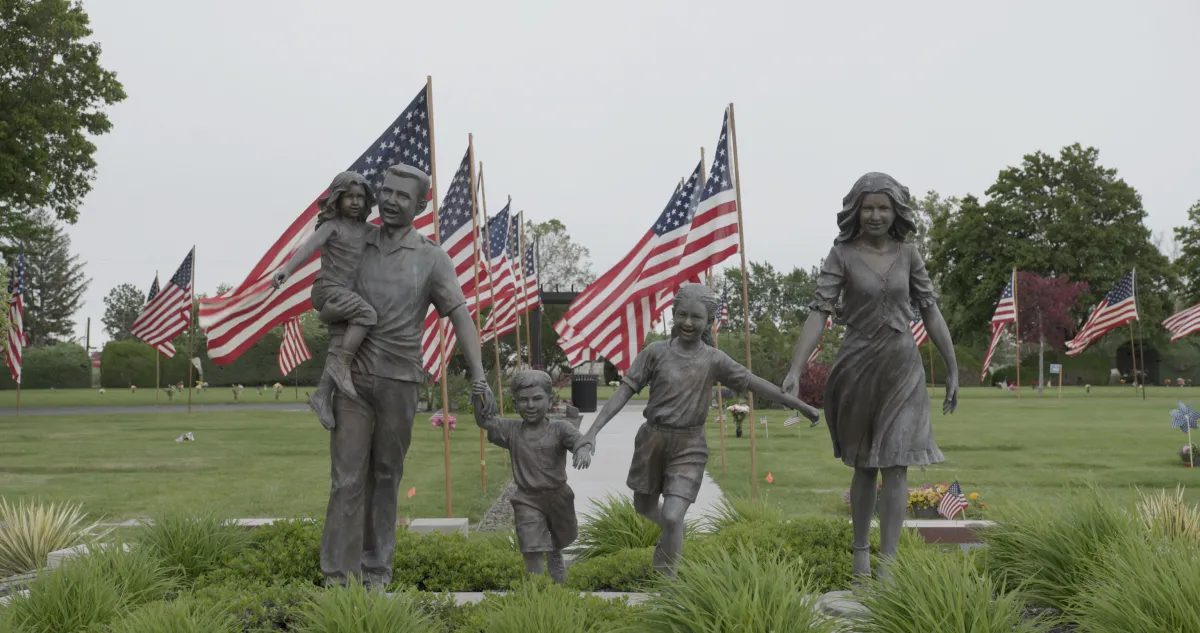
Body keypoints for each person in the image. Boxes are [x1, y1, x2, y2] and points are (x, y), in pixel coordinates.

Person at [318, 163, 493, 589]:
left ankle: (377, 572)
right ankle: (337, 579)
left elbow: (460, 317)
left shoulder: (432, 258)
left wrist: (478, 376)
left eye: (402, 196)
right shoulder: (356, 241)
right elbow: (326, 294)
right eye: (387, 191)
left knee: (385, 476)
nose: (391, 201)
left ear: (421, 204)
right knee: (346, 479)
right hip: (352, 379)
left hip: (401, 381)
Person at [781, 172, 959, 581]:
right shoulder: (841, 254)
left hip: (902, 368)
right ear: (856, 210)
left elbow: (930, 310)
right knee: (865, 465)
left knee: (897, 464)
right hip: (858, 367)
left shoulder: (909, 253)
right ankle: (860, 553)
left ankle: (889, 564)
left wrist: (950, 367)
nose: (876, 215)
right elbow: (819, 311)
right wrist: (795, 368)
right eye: (868, 207)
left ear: (896, 210)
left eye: (884, 207)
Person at [573, 283, 820, 575]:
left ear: (708, 322)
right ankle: (673, 536)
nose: (688, 323)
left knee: (674, 515)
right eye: (682, 315)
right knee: (644, 506)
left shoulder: (714, 360)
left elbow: (754, 383)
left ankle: (667, 585)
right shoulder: (655, 353)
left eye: (696, 317)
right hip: (651, 440)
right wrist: (592, 433)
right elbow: (623, 393)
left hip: (689, 445)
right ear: (673, 315)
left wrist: (800, 405)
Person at [272, 171, 378, 429]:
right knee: (368, 315)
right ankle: (341, 363)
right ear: (337, 199)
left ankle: (321, 395)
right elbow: (308, 248)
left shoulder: (370, 231)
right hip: (327, 289)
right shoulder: (332, 227)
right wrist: (287, 269)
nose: (355, 202)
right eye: (349, 197)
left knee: (339, 343)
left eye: (360, 198)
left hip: (347, 296)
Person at [472, 370, 586, 583]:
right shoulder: (511, 430)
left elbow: (579, 441)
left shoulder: (560, 429)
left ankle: (556, 565)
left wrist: (583, 450)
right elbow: (485, 421)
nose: (531, 405)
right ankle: (537, 592)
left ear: (550, 400)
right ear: (515, 404)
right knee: (531, 546)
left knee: (560, 540)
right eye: (523, 400)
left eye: (537, 398)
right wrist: (479, 396)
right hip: (527, 499)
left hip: (558, 498)